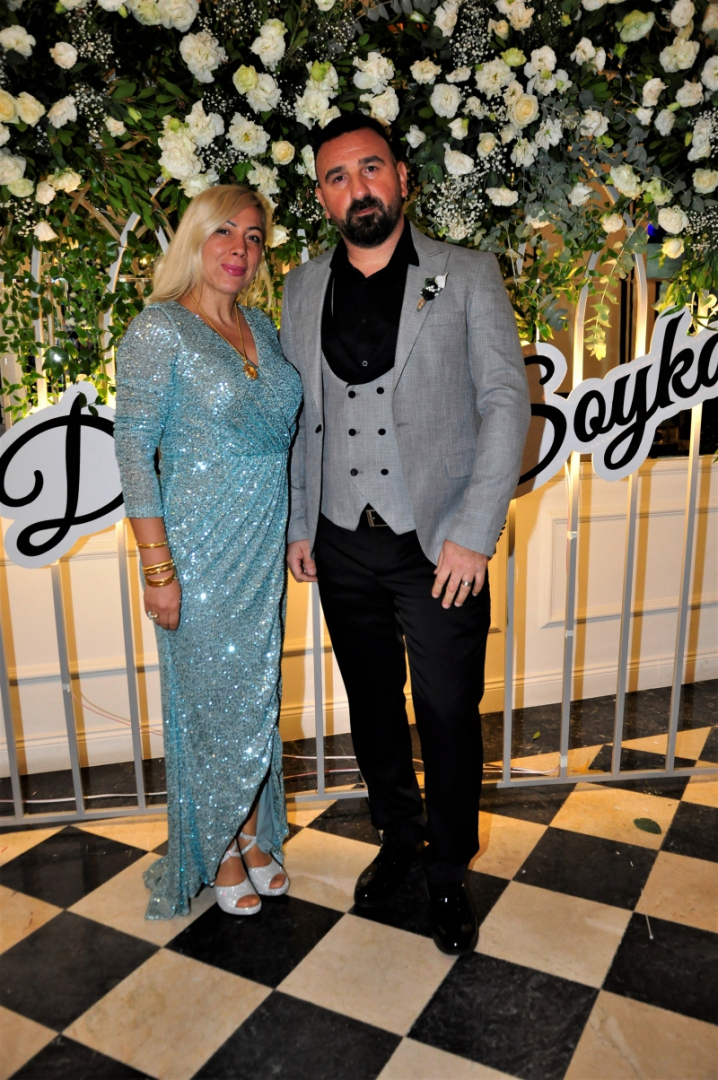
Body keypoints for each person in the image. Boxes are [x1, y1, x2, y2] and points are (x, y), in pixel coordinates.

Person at [282, 115, 530, 955]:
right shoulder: (300, 287)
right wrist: (299, 522)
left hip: (440, 541)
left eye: (370, 168)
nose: (358, 188)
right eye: (338, 177)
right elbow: (298, 417)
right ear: (323, 199)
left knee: (449, 709)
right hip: (339, 536)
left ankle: (448, 867)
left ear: (401, 179)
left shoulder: (466, 274)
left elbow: (506, 403)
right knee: (373, 702)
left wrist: (474, 532)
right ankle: (397, 835)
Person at [114, 185, 302, 919]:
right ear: (194, 238)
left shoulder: (262, 326)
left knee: (255, 696)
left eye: (254, 237)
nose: (240, 249)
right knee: (211, 701)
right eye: (224, 231)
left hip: (260, 546)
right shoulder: (159, 328)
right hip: (197, 552)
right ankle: (217, 845)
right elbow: (134, 453)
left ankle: (251, 832)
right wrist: (158, 569)